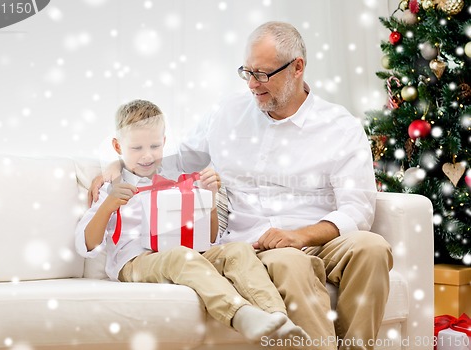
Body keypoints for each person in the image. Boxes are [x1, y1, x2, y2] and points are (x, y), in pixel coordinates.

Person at [90, 22, 393, 350]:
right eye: (246, 72)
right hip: (256, 246)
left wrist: (301, 235)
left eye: (262, 74)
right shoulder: (227, 114)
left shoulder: (339, 127)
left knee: (372, 247)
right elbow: (177, 162)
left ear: (297, 68)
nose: (251, 84)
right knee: (291, 261)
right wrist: (118, 167)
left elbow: (358, 209)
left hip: (318, 237)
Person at [76, 99, 308, 346]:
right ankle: (240, 315)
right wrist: (109, 205)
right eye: (136, 148)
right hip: (134, 262)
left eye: (155, 146)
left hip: (186, 251)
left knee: (237, 249)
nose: (147, 155)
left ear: (164, 142)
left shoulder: (176, 178)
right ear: (117, 146)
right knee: (181, 257)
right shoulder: (112, 185)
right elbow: (86, 244)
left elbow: (209, 239)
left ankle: (277, 317)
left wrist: (208, 200)